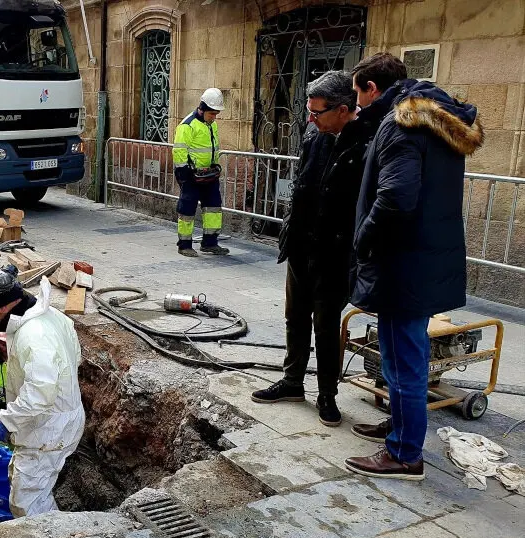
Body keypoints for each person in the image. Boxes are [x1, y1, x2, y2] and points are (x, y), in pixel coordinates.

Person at [344, 53, 483, 481]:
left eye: (357, 93)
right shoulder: (437, 121)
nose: (359, 103)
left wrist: (363, 240)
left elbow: (396, 198)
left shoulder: (400, 124)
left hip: (403, 262)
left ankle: (405, 454)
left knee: (404, 359)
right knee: (402, 352)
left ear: (371, 88)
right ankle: (398, 428)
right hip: (423, 258)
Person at [251, 70, 393, 427]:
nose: (311, 119)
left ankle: (327, 394)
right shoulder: (315, 135)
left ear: (344, 109)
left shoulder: (369, 141)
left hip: (337, 251)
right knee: (295, 317)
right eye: (309, 113)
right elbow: (302, 183)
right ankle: (292, 381)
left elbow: (372, 201)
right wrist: (289, 228)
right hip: (302, 244)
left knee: (326, 325)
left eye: (318, 113)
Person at [0, 266, 84, 517]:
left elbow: (40, 393)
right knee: (30, 487)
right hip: (52, 419)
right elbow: (75, 358)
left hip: (49, 428)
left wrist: (7, 421)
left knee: (26, 503)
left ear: (4, 305)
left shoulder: (34, 334)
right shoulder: (50, 316)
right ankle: (61, 531)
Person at [172, 88, 229, 257]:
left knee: (213, 208)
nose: (214, 117)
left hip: (209, 175)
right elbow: (179, 151)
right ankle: (184, 245)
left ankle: (210, 243)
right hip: (191, 175)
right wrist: (184, 173)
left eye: (216, 114)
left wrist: (214, 167)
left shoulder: (211, 124)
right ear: (202, 109)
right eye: (212, 114)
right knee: (187, 209)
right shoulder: (187, 125)